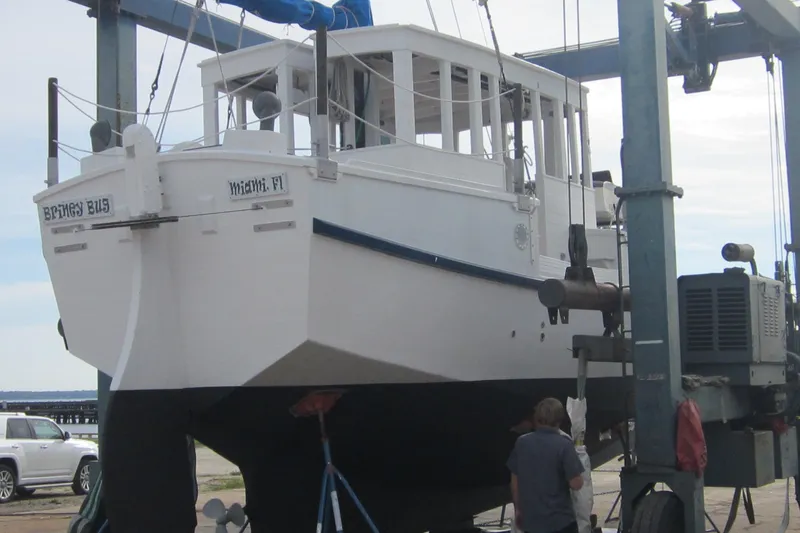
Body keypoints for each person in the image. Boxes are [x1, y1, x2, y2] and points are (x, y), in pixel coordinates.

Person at [507, 397, 585, 533]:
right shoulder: (564, 444)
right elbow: (576, 484)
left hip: (531, 522)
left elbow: (515, 481)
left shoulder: (522, 443)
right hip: (559, 522)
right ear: (559, 419)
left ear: (536, 417)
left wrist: (518, 509)